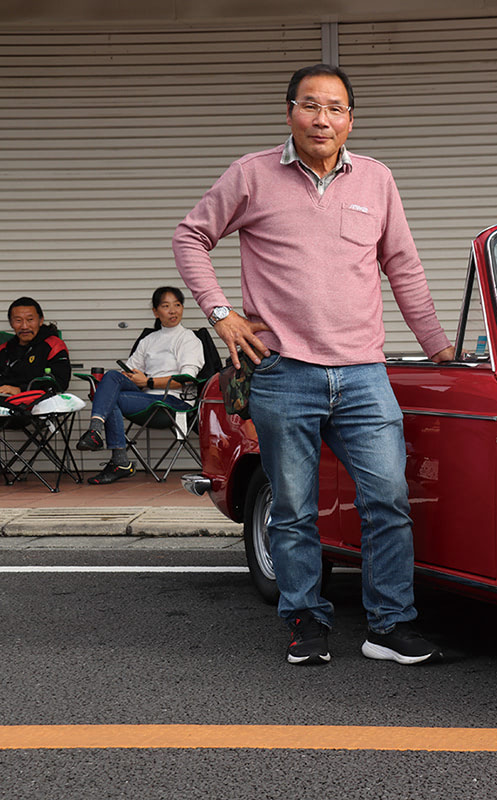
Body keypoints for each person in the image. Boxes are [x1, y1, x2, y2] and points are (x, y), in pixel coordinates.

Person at [173, 64, 454, 667]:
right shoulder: (252, 175)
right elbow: (190, 236)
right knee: (294, 508)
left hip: (363, 374)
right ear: (289, 111)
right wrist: (221, 313)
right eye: (310, 105)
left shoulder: (377, 180)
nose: (322, 119)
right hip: (282, 372)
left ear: (351, 118)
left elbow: (402, 265)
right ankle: (304, 616)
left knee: (388, 501)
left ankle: (389, 624)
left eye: (335, 108)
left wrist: (438, 347)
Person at [74, 286, 204, 485]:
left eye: (177, 305)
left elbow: (186, 379)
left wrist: (148, 381)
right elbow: (130, 371)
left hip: (173, 402)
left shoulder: (188, 339)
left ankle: (118, 459)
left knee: (111, 400)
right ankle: (99, 434)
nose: (173, 311)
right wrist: (135, 380)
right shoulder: (149, 340)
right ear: (155, 311)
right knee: (112, 377)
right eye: (166, 306)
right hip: (147, 398)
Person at [0, 297, 70, 397]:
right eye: (18, 320)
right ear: (11, 323)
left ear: (41, 320)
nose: (24, 326)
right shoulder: (4, 349)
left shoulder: (53, 345)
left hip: (40, 405)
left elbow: (60, 383)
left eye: (30, 320)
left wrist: (20, 390)